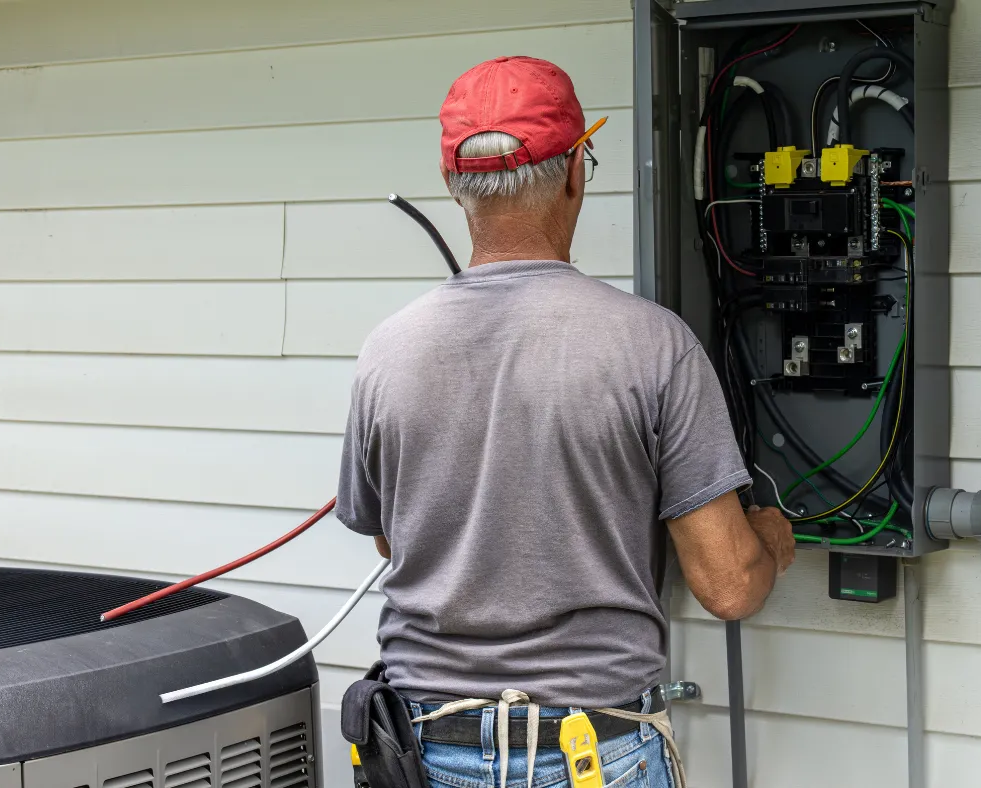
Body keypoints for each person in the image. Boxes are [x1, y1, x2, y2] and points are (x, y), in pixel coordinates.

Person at [336, 56, 795, 788]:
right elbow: (729, 586)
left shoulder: (386, 351)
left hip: (423, 749)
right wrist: (770, 537)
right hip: (590, 751)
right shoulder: (653, 345)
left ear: (456, 188)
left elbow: (396, 537)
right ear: (576, 172)